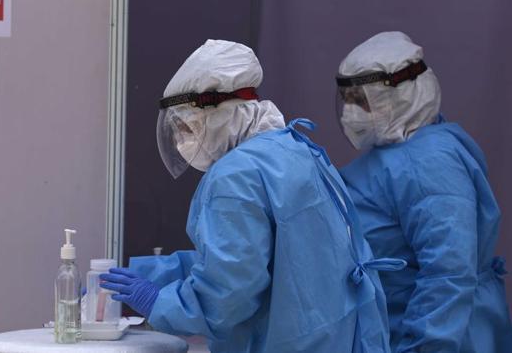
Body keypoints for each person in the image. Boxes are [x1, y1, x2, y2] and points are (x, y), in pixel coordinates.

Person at [100, 39, 404, 353]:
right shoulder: (296, 150)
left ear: (219, 114)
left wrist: (158, 301)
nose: (182, 143)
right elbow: (275, 260)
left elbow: (230, 293)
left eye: (188, 128)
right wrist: (149, 275)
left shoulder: (235, 176)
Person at [336, 31, 512, 352]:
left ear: (401, 96)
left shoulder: (428, 163)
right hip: (402, 324)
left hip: (443, 334)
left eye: (361, 101)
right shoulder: (405, 152)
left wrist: (424, 346)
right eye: (347, 100)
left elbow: (449, 273)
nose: (351, 112)